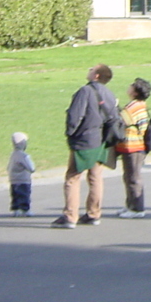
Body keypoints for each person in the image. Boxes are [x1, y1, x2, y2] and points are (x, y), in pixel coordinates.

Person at [52, 64, 118, 228]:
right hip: (101, 141)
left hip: (84, 140)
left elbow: (75, 115)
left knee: (72, 178)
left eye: (91, 69)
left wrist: (70, 133)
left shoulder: (85, 91)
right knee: (95, 177)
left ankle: (70, 216)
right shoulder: (109, 93)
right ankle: (93, 213)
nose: (89, 71)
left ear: (96, 75)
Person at [115, 78, 151, 219]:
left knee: (133, 177)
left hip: (134, 146)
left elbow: (122, 119)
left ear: (135, 91)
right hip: (130, 146)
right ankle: (130, 205)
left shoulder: (134, 106)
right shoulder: (139, 104)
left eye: (131, 86)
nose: (128, 87)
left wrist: (115, 106)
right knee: (129, 176)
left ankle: (137, 208)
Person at [7, 132, 36, 217]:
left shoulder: (13, 155)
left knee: (15, 194)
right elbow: (31, 168)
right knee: (24, 194)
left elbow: (8, 166)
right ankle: (24, 209)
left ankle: (15, 209)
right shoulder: (24, 156)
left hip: (13, 179)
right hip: (23, 179)